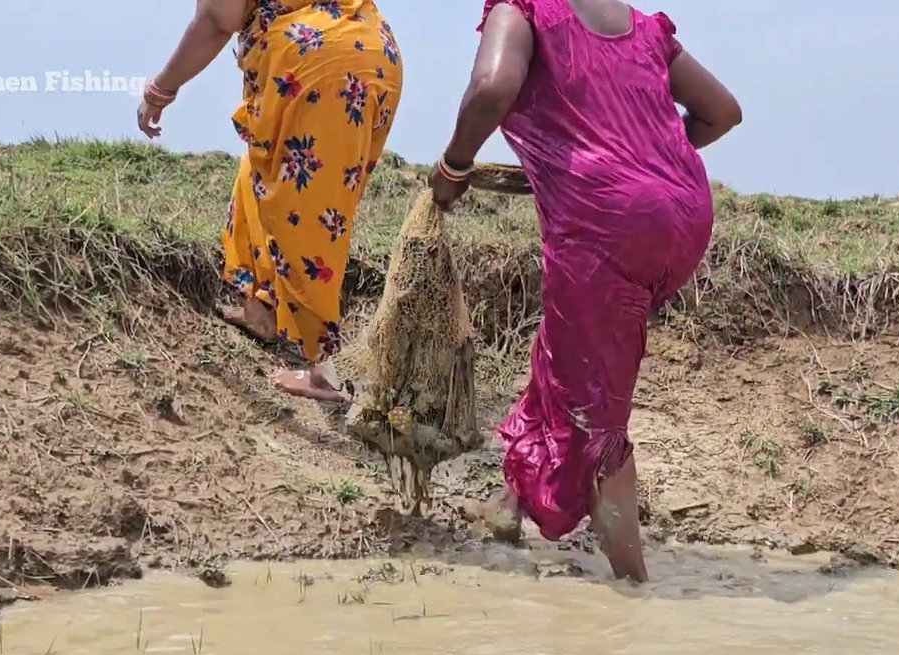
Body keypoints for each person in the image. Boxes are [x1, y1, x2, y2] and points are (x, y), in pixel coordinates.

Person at [429, 0, 741, 581]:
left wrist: (454, 168)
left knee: (601, 417)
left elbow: (493, 87)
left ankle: (633, 587)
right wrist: (640, 160)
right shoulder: (639, 25)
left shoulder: (523, 11)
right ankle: (509, 504)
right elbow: (722, 112)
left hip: (607, 227)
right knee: (568, 348)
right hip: (686, 215)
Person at [137, 0, 403, 401]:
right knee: (267, 172)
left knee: (308, 211)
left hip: (322, 67)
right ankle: (260, 306)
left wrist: (160, 89)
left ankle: (323, 372)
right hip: (372, 53)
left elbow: (216, 19)